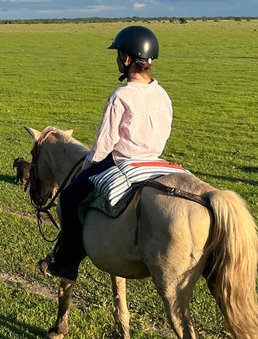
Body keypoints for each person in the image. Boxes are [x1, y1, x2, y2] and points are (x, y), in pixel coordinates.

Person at [38, 25, 173, 282]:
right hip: (155, 160)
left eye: (118, 54)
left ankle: (66, 264)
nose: (117, 59)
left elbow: (103, 146)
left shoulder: (121, 96)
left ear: (127, 58)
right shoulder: (161, 93)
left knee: (68, 199)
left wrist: (86, 167)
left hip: (122, 161)